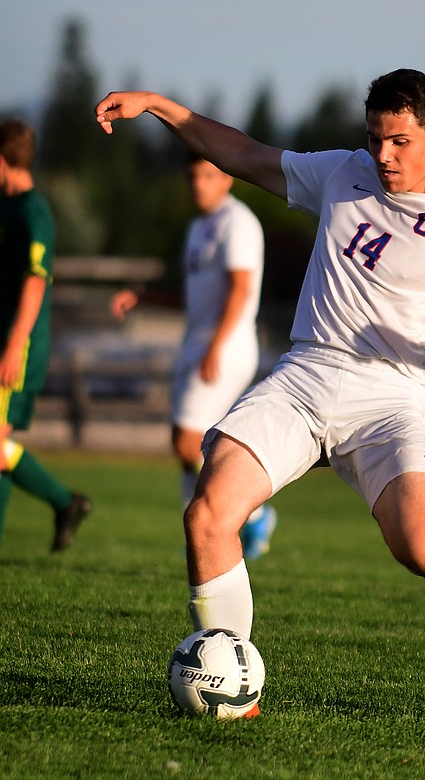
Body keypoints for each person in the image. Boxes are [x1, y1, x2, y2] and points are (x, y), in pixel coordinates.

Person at [95, 69, 425, 705]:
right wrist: (159, 106)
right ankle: (232, 683)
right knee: (208, 513)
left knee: (423, 548)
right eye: (375, 139)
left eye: (400, 142)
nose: (383, 156)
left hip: (388, 403)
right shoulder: (342, 173)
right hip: (304, 377)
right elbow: (244, 156)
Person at [111, 155, 277, 559]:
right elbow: (195, 296)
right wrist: (145, 297)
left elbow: (240, 290)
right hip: (197, 345)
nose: (198, 184)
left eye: (209, 175)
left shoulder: (238, 222)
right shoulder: (198, 228)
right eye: (193, 176)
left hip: (223, 348)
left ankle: (251, 516)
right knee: (196, 445)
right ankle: (210, 529)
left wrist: (216, 345)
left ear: (227, 180)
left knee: (187, 442)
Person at [0, 119, 92, 552]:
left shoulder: (33, 211)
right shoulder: (4, 205)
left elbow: (35, 282)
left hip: (15, 344)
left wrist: (15, 346)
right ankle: (65, 503)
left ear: (0, 160)